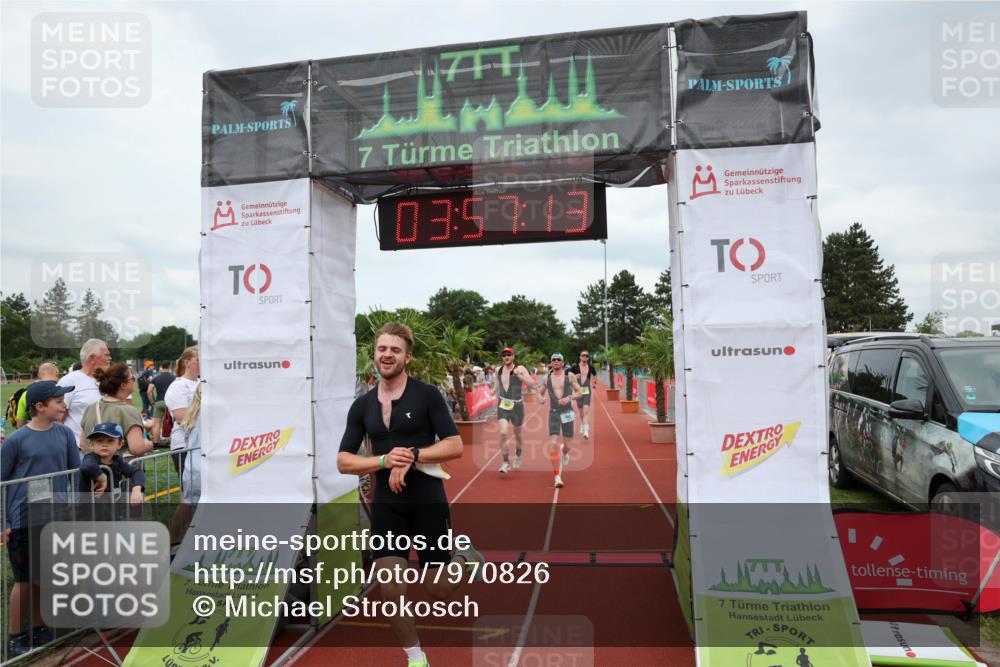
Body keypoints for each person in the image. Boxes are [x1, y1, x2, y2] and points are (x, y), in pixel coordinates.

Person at [338, 322, 484, 667]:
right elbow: (344, 461)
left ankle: (465, 557)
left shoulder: (427, 395)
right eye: (382, 349)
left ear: (407, 356)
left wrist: (414, 455)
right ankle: (416, 658)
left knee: (437, 589)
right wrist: (385, 460)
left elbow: (455, 444)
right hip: (387, 505)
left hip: (427, 501)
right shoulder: (362, 406)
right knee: (390, 589)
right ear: (374, 353)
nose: (387, 355)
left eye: (395, 350)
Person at [1, 381, 84, 658]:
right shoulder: (16, 440)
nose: (64, 406)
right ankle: (15, 636)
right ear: (40, 406)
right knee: (24, 580)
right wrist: (4, 522)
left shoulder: (64, 434)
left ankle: (39, 629)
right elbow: (2, 482)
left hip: (55, 517)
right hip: (24, 518)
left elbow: (74, 471)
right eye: (59, 402)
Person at [78, 363, 153, 459]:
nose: (134, 381)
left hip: (94, 470)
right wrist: (149, 444)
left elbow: (83, 445)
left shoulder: (90, 408)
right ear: (123, 385)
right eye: (132, 378)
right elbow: (137, 448)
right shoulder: (129, 411)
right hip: (122, 471)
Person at [79, 422, 146, 517]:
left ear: (119, 444)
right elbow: (87, 466)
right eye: (99, 441)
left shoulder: (117, 461)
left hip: (111, 511)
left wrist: (136, 489)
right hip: (90, 513)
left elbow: (137, 472)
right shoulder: (91, 458)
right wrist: (103, 478)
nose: (104, 445)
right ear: (92, 444)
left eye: (110, 441)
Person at [537, 353, 582, 488]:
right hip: (554, 413)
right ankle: (557, 476)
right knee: (553, 443)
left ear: (563, 363)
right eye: (553, 360)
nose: (556, 361)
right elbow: (540, 392)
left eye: (559, 360)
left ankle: (564, 453)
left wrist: (570, 398)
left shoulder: (570, 376)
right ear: (551, 363)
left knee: (568, 445)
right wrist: (540, 398)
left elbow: (580, 392)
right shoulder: (546, 378)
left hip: (567, 412)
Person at [57, 339, 112, 444]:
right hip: (79, 449)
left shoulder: (109, 381)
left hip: (108, 449)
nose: (110, 358)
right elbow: (58, 418)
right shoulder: (69, 381)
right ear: (92, 358)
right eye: (106, 355)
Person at [492, 347, 535, 474]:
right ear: (502, 357)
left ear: (513, 356)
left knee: (518, 435)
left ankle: (518, 455)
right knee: (503, 433)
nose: (506, 357)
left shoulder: (520, 369)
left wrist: (520, 376)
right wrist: (493, 391)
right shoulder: (497, 370)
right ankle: (505, 462)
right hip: (503, 405)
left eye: (509, 354)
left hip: (517, 406)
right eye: (504, 355)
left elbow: (532, 383)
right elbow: (497, 383)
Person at [164, 347, 199, 475]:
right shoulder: (178, 385)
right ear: (187, 362)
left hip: (202, 444)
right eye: (198, 360)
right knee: (190, 489)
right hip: (184, 445)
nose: (202, 363)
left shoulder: (203, 382)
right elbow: (181, 418)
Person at [12, 362, 60, 428]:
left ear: (39, 375)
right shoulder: (63, 391)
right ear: (57, 374)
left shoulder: (26, 393)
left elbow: (20, 424)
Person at [568, 351, 598, 440]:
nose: (585, 357)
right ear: (580, 357)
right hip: (578, 390)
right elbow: (567, 376)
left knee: (586, 411)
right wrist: (574, 376)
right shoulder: (574, 367)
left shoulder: (591, 367)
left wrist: (594, 383)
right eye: (583, 355)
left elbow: (595, 374)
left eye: (586, 356)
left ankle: (586, 431)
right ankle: (582, 423)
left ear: (588, 358)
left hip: (586, 390)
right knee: (581, 412)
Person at [148, 361, 176, 446]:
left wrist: (152, 402)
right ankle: (174, 441)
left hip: (159, 401)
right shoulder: (174, 378)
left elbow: (149, 391)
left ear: (161, 367)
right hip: (171, 402)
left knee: (157, 423)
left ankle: (156, 442)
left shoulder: (156, 378)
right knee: (175, 423)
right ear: (170, 366)